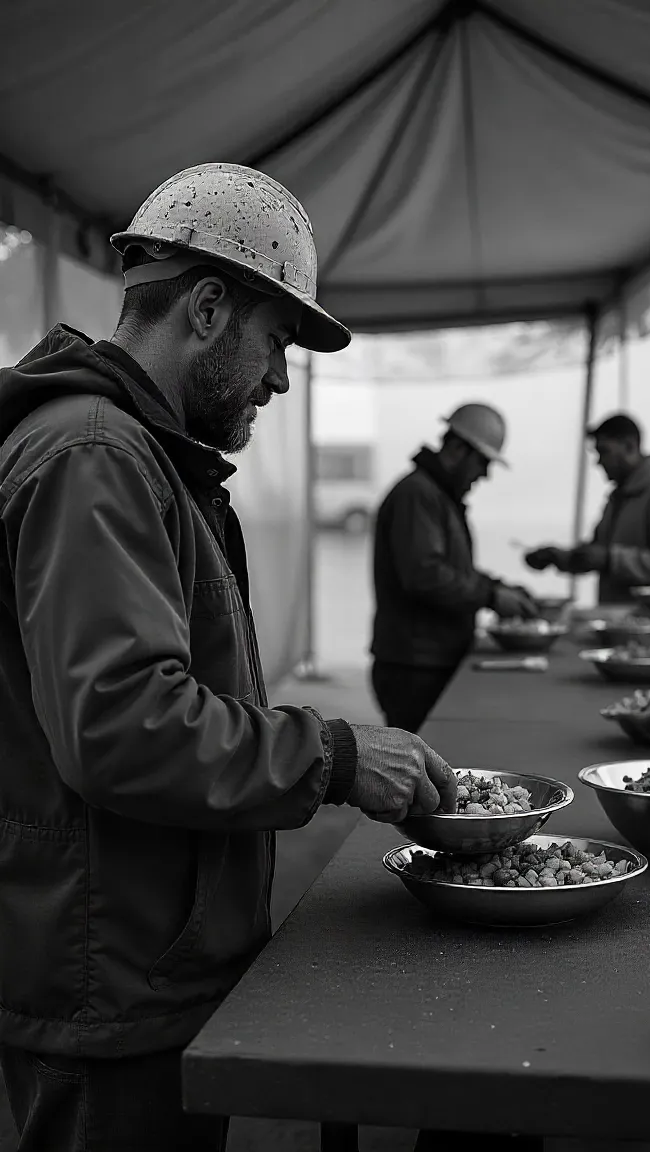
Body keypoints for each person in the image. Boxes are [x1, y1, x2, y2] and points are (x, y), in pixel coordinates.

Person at [0, 163, 457, 1152]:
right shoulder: (97, 456)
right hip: (103, 977)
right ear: (208, 308)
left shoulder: (140, 456)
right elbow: (118, 725)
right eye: (278, 342)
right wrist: (333, 756)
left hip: (132, 961)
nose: (283, 380)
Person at [371, 403, 537, 733]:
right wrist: (490, 594)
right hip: (415, 667)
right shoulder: (418, 495)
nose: (485, 474)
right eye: (484, 462)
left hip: (428, 661)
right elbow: (425, 576)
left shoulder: (435, 495)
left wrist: (498, 588)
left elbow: (450, 569)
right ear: (459, 448)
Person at [524, 412, 650, 602]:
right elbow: (598, 553)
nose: (598, 462)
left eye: (604, 451)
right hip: (619, 624)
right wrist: (560, 557)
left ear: (630, 446)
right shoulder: (619, 497)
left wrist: (611, 559)